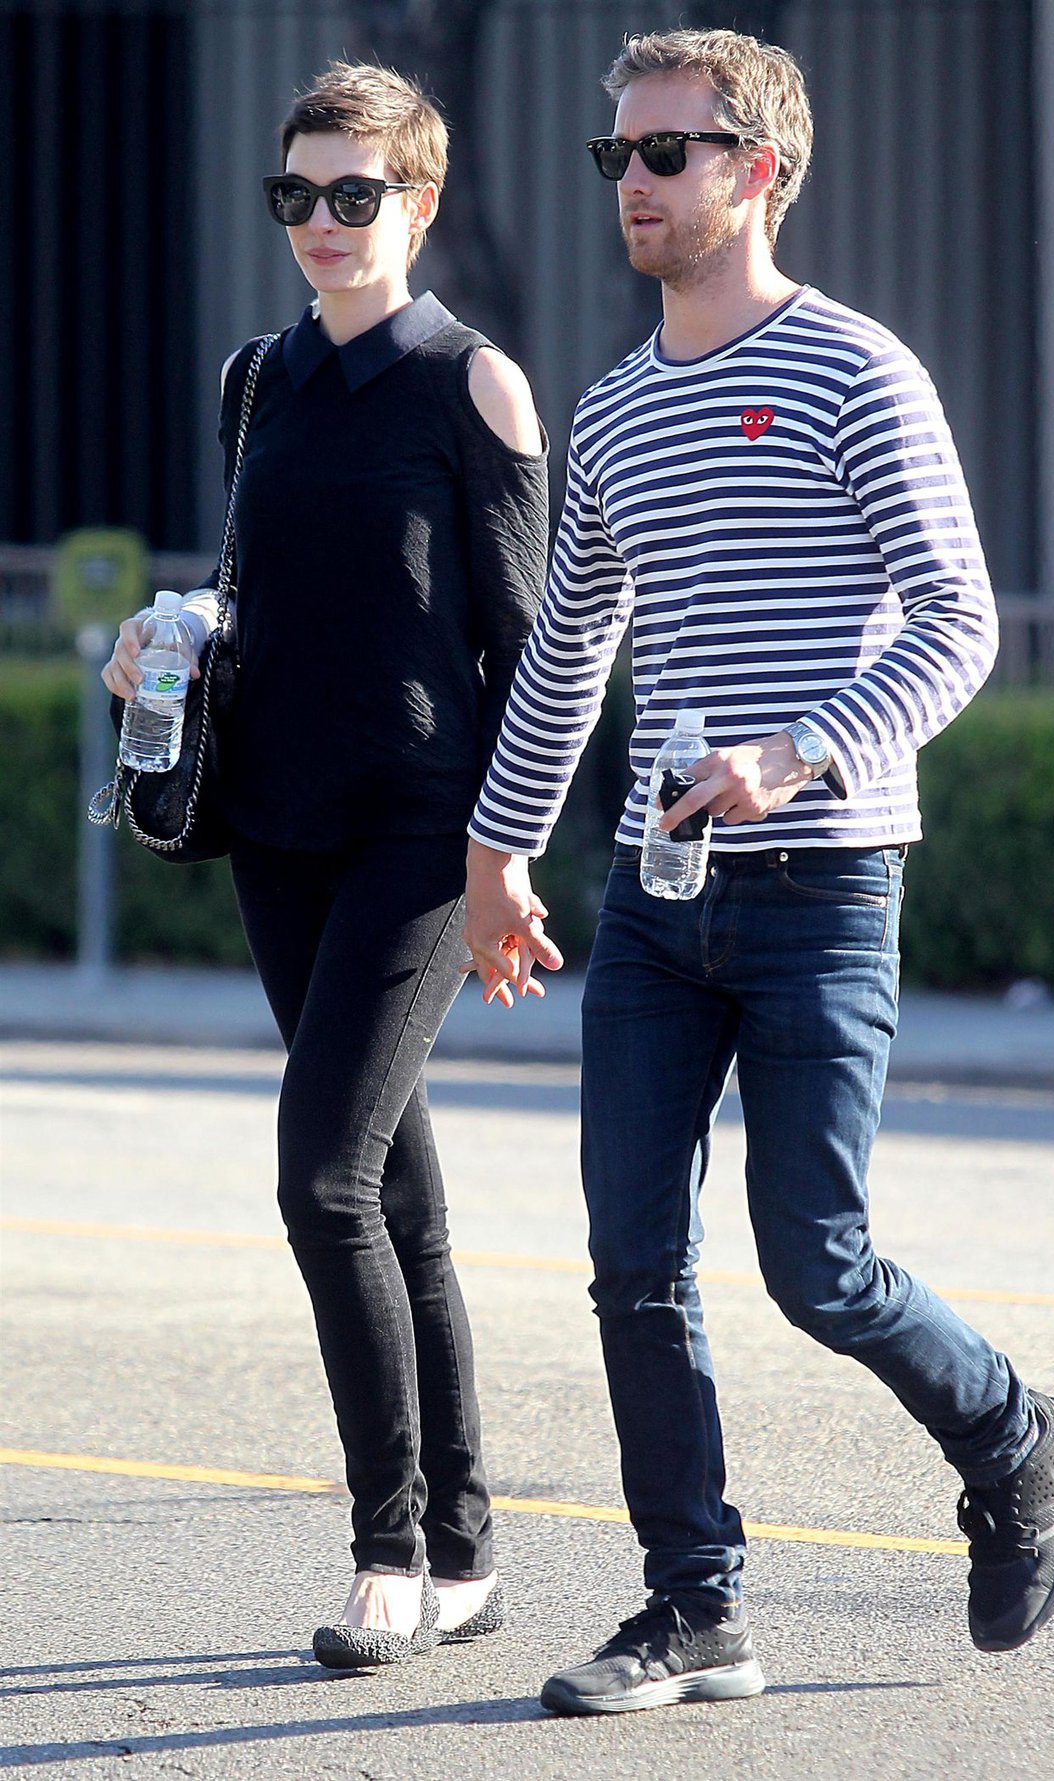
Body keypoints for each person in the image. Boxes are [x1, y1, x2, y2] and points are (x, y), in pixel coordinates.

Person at [463, 27, 1054, 1717]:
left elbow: (960, 625)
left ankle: (1010, 1427)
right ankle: (696, 1607)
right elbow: (568, 652)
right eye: (621, 160)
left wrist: (800, 749)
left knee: (818, 1260)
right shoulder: (612, 408)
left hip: (827, 883)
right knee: (631, 1262)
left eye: (668, 155)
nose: (636, 187)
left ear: (764, 170)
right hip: (660, 903)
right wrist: (499, 851)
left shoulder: (857, 373)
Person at [102, 60, 548, 1667]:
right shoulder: (256, 380)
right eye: (296, 195)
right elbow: (252, 583)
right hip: (274, 831)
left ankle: (388, 1544)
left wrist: (509, 865)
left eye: (353, 194)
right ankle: (470, 1549)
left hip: (419, 841)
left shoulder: (474, 386)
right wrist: (168, 647)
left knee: (323, 1178)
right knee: (401, 1199)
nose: (321, 224)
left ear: (417, 202)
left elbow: (535, 649)